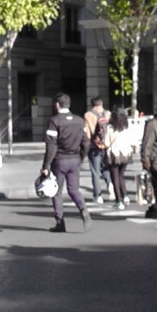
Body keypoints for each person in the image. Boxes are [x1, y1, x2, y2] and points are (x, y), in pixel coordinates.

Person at [40, 93, 91, 233]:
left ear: (57, 105)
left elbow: (51, 145)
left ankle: (60, 222)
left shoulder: (55, 121)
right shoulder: (80, 121)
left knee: (57, 192)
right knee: (74, 190)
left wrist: (46, 166)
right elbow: (86, 142)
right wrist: (81, 157)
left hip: (60, 160)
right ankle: (84, 210)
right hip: (75, 160)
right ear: (69, 104)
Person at [103, 107, 136, 210]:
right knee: (121, 175)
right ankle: (125, 196)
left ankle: (119, 200)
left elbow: (107, 143)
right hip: (126, 153)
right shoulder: (128, 127)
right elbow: (133, 141)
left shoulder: (110, 128)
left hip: (114, 153)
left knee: (115, 177)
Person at [83, 97, 112, 204]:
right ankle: (110, 184)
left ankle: (98, 195)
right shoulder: (108, 114)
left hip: (94, 147)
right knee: (106, 168)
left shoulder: (88, 115)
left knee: (95, 171)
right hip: (107, 145)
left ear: (92, 104)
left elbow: (87, 134)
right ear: (101, 103)